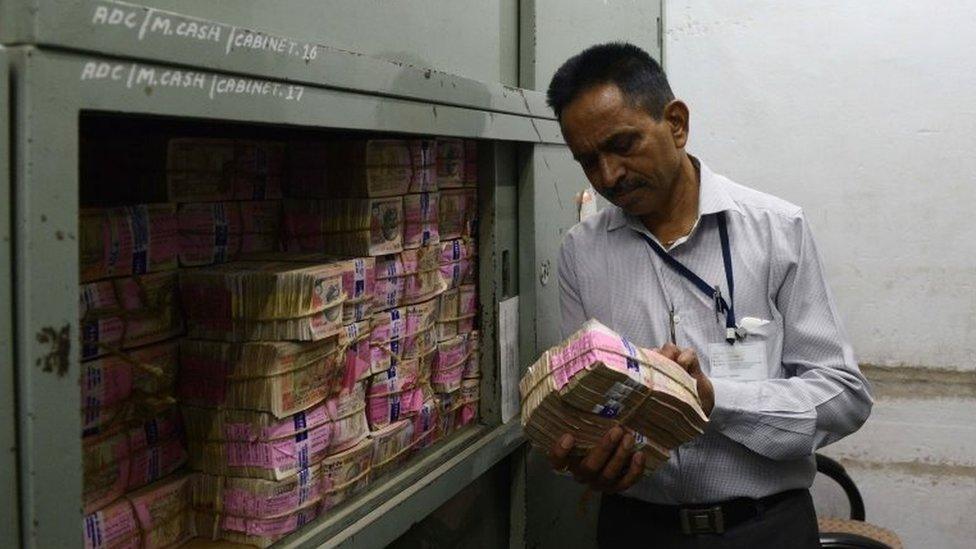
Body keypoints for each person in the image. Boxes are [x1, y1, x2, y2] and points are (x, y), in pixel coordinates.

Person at [545, 42, 873, 548]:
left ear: (676, 123)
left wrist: (715, 398)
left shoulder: (775, 231)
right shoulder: (581, 253)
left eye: (623, 145)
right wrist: (587, 458)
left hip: (765, 529)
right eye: (589, 161)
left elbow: (844, 397)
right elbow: (582, 405)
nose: (609, 176)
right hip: (636, 531)